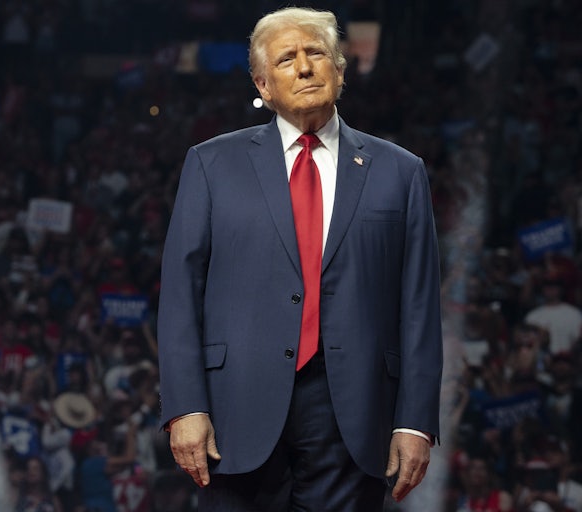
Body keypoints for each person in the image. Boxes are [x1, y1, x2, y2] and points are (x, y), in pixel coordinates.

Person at [157, 7, 443, 511]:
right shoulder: (211, 164)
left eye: (315, 53)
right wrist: (185, 407)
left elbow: (419, 307)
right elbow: (181, 295)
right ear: (263, 85)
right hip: (235, 407)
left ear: (340, 69)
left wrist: (415, 421)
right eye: (286, 59)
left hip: (354, 413)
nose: (305, 67)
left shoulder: (400, 172)